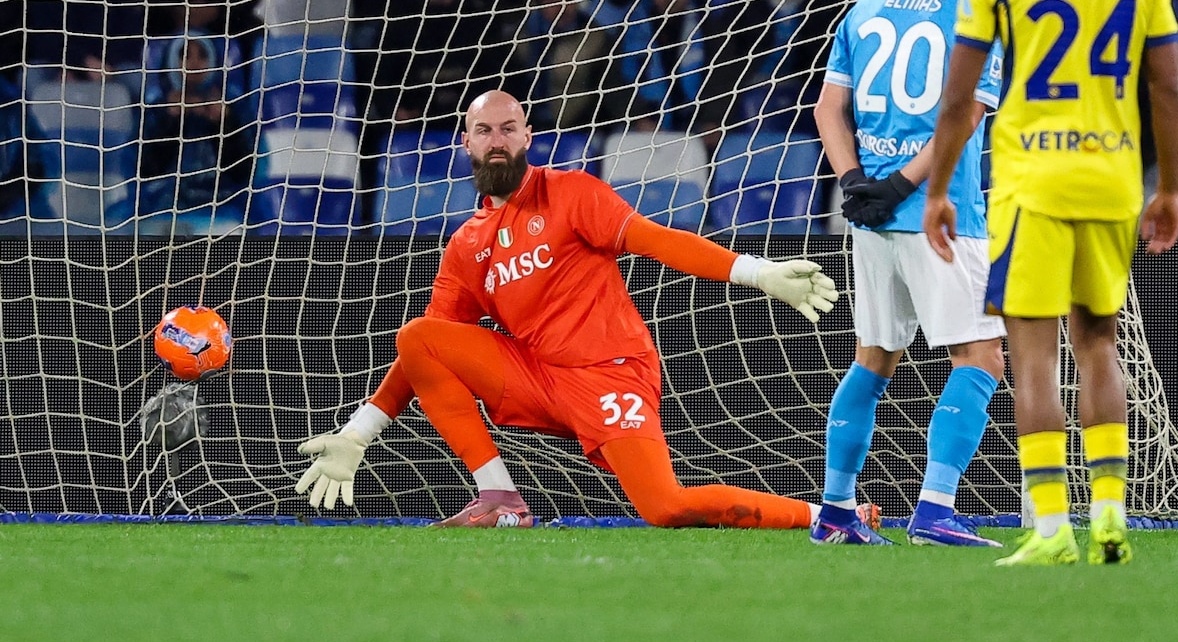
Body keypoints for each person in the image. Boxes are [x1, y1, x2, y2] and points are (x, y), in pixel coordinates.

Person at [291, 90, 843, 530]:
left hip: (609, 373)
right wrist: (360, 432)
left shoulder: (573, 192)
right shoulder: (467, 244)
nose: (497, 140)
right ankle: (500, 498)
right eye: (484, 130)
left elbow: (656, 239)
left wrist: (759, 272)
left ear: (528, 136)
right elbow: (424, 350)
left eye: (508, 128)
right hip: (537, 377)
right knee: (420, 335)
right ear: (467, 143)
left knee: (665, 506)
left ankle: (829, 516)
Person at [922, 0, 1178, 567]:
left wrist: (938, 190)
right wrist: (1169, 187)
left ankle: (1049, 528)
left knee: (1034, 359)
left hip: (1031, 181)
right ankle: (1111, 512)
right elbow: (1167, 89)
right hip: (1110, 177)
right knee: (1099, 346)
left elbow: (959, 97)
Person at [810, 0, 1006, 548]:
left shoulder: (865, 8)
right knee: (981, 355)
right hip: (939, 212)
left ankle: (835, 512)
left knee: (873, 357)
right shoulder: (979, 11)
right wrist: (900, 184)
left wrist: (856, 181)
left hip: (870, 215)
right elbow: (965, 114)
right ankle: (934, 509)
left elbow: (826, 109)